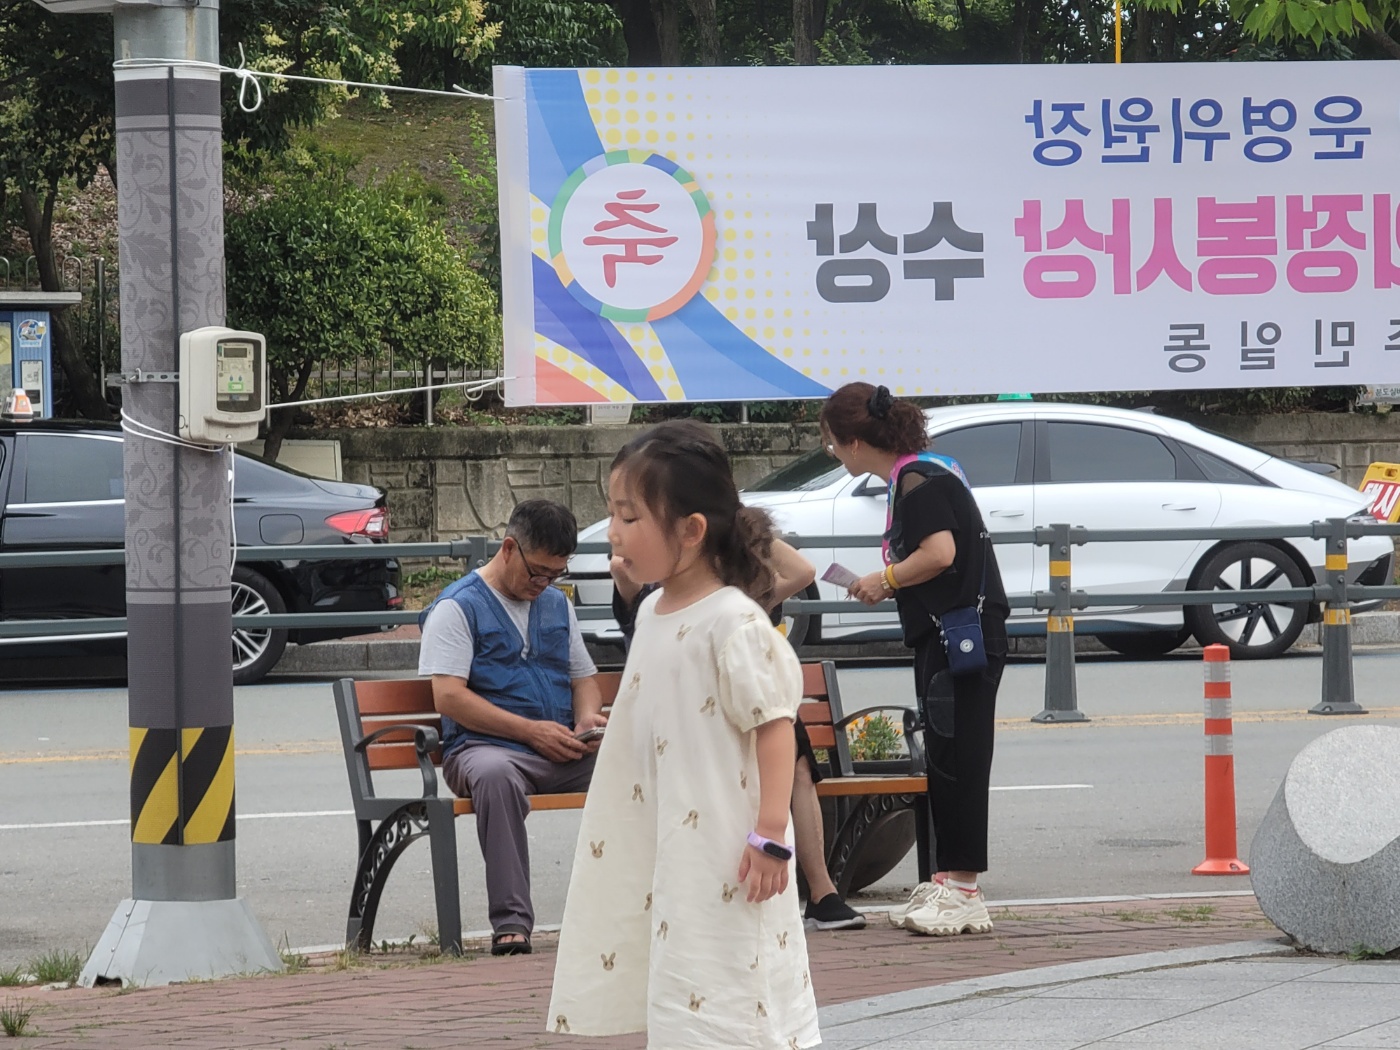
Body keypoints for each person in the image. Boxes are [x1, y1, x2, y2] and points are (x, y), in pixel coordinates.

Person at [548, 420, 820, 1050]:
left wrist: (771, 833)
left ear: (692, 530)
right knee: (679, 974)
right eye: (612, 513)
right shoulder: (650, 610)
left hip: (731, 847)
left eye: (630, 516)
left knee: (732, 978)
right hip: (671, 839)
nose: (613, 531)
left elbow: (775, 724)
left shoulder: (733, 620)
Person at [820, 382, 1010, 938]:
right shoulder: (921, 474)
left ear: (855, 443)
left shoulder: (917, 483)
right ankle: (948, 880)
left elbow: (940, 553)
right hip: (950, 636)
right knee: (946, 756)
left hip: (960, 640)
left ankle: (965, 890)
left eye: (831, 442)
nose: (833, 452)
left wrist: (885, 579)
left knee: (961, 757)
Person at [611, 540, 867, 932]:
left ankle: (822, 892)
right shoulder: (654, 599)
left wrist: (740, 524)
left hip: (753, 700)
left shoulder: (739, 601)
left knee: (798, 767)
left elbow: (802, 571)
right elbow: (624, 579)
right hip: (688, 721)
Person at [418, 499, 606, 956]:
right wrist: (529, 732)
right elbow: (449, 697)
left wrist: (586, 719)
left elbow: (584, 680)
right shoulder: (457, 607)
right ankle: (512, 923)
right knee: (496, 776)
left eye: (556, 574)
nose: (544, 584)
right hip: (483, 749)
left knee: (638, 760)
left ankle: (642, 907)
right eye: (538, 572)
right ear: (508, 549)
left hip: (559, 747)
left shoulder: (557, 605)